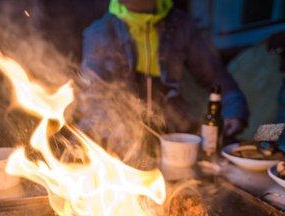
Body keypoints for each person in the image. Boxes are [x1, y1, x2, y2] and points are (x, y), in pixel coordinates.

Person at [81, 0, 249, 137]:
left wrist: (234, 112)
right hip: (121, 134)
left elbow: (216, 77)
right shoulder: (99, 32)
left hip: (172, 132)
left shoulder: (181, 26)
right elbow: (93, 96)